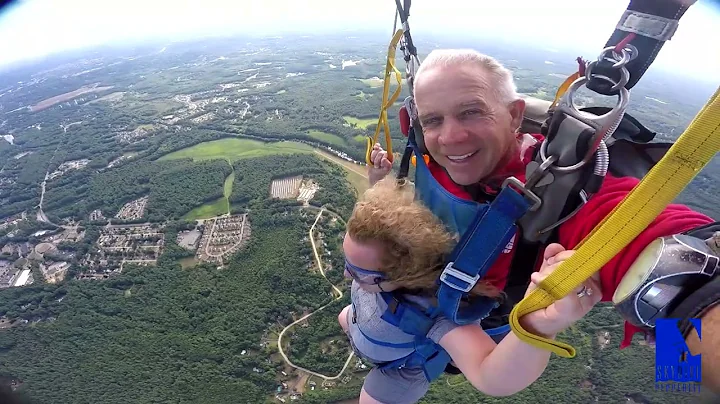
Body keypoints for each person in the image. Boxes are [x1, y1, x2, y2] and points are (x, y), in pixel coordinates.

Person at [368, 49, 720, 392]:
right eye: (433, 120)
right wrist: (379, 183)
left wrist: (693, 313)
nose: (450, 137)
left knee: (680, 375)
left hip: (478, 330)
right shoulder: (430, 151)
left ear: (515, 116)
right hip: (425, 304)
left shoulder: (562, 191)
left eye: (471, 112)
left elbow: (674, 263)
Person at [338, 177, 602, 403]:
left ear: (406, 274)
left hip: (399, 370)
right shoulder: (379, 262)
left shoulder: (433, 313)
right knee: (345, 318)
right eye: (348, 264)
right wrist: (378, 176)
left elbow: (491, 376)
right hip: (365, 327)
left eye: (359, 273)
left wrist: (540, 326)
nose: (346, 274)